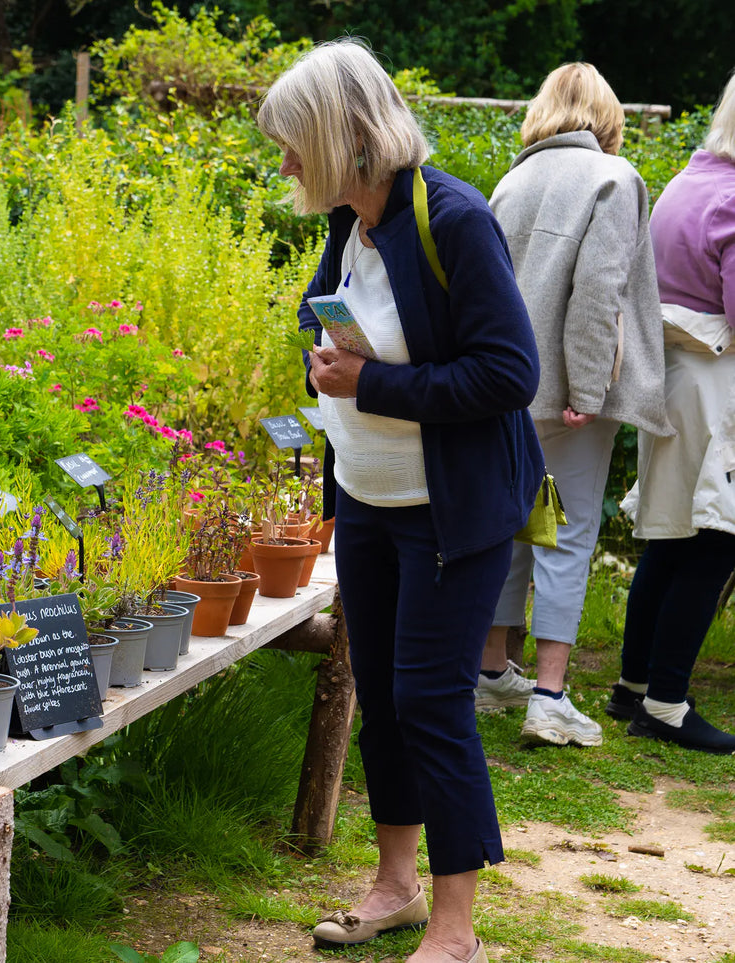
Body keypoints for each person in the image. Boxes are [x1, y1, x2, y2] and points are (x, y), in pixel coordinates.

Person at [259, 39, 542, 963]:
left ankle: (456, 926)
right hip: (369, 500)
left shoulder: (451, 219)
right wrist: (324, 363)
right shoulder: (351, 219)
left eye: (295, 141)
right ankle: (393, 885)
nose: (285, 161)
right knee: (382, 699)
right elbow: (331, 324)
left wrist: (367, 384)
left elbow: (507, 374)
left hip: (448, 509)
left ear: (345, 135)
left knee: (430, 701)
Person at [477, 64, 671, 747]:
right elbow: (597, 293)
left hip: (506, 392)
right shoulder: (611, 180)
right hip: (567, 399)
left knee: (516, 528)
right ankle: (550, 697)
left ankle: (493, 670)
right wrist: (589, 389)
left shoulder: (510, 181)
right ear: (606, 116)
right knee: (565, 534)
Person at [613, 68, 735, 754]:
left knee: (669, 537)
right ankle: (665, 703)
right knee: (715, 538)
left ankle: (633, 685)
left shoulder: (693, 178)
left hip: (672, 374)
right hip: (712, 381)